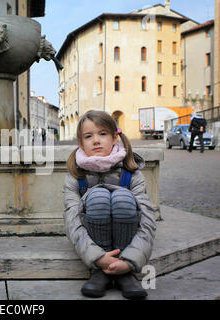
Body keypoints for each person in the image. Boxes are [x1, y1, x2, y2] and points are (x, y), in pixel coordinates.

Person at [63, 110, 156, 300]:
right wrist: (97, 257)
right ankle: (101, 269)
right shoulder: (75, 176)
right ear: (81, 143)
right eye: (89, 136)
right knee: (97, 197)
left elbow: (147, 220)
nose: (96, 140)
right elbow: (72, 220)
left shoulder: (132, 174)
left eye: (102, 134)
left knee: (122, 197)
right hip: (93, 242)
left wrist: (130, 261)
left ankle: (123, 271)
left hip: (128, 242)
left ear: (115, 138)